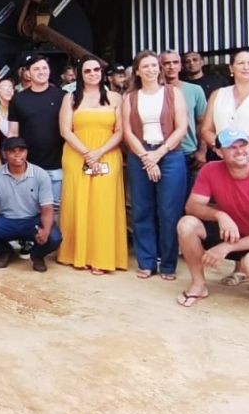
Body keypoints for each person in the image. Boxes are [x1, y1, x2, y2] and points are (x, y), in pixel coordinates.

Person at [176, 129, 249, 307]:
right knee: (186, 225)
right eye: (232, 147)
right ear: (218, 152)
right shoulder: (210, 170)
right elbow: (191, 206)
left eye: (243, 144)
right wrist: (219, 215)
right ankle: (198, 284)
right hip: (234, 232)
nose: (240, 151)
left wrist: (225, 247)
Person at [56, 57, 128, 274]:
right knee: (77, 202)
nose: (93, 73)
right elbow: (65, 130)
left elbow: (120, 131)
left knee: (104, 205)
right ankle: (76, 254)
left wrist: (99, 152)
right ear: (81, 74)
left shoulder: (115, 97)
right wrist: (87, 153)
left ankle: (102, 257)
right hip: (77, 155)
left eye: (96, 69)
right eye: (87, 71)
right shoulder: (70, 98)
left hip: (107, 154)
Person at [121, 50, 189, 280]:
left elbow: (181, 127)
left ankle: (168, 264)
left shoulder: (173, 93)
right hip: (140, 154)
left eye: (153, 65)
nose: (150, 70)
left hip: (169, 154)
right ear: (137, 71)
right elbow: (127, 132)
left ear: (159, 69)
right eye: (145, 66)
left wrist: (158, 154)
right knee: (142, 210)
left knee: (169, 211)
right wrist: (146, 157)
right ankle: (147, 261)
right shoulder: (129, 98)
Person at [0, 137, 61, 271]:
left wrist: (45, 229)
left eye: (21, 150)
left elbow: (47, 208)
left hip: (32, 220)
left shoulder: (40, 174)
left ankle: (37, 255)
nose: (17, 154)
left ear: (26, 152)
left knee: (54, 237)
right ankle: (4, 252)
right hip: (6, 220)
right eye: (12, 151)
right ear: (4, 154)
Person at [8, 54, 65, 208]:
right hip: (30, 167)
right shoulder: (18, 99)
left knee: (56, 209)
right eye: (36, 69)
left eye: (44, 68)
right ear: (28, 73)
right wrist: (14, 161)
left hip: (58, 165)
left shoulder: (62, 96)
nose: (41, 72)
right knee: (30, 208)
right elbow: (13, 133)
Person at [159, 50, 208, 189]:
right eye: (166, 63)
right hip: (160, 152)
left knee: (189, 200)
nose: (171, 67)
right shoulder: (151, 91)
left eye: (175, 62)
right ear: (160, 66)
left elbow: (202, 122)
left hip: (189, 153)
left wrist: (202, 151)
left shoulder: (195, 90)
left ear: (181, 66)